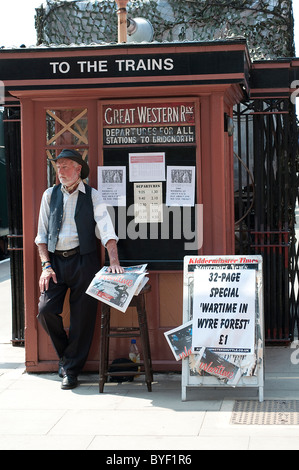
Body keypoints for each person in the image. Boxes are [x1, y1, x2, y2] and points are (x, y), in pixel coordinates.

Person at [35, 148, 123, 390]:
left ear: (78, 170)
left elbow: (107, 231)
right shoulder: (49, 195)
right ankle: (67, 357)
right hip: (55, 263)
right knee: (45, 310)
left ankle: (70, 370)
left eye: (65, 166)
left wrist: (113, 261)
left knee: (83, 318)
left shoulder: (92, 196)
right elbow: (41, 235)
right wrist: (45, 266)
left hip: (84, 260)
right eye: (58, 167)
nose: (60, 171)